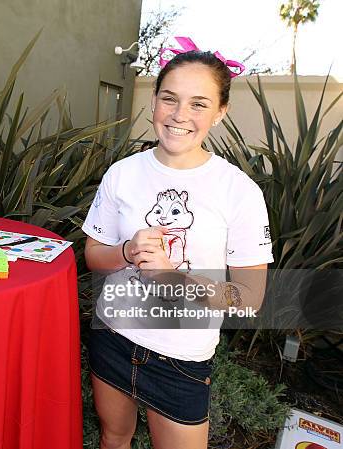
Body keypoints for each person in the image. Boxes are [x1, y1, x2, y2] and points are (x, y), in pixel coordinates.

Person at [82, 37, 273, 449]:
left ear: (221, 112)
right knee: (113, 438)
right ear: (153, 101)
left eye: (199, 104)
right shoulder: (122, 173)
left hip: (181, 358)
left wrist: (173, 276)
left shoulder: (238, 192)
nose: (179, 115)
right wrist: (127, 252)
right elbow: (93, 256)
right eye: (169, 98)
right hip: (112, 337)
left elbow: (249, 297)